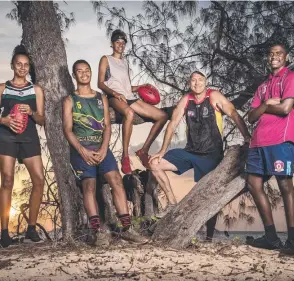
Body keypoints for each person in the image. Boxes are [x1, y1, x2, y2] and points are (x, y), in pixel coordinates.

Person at [149, 71, 251, 240]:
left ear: (206, 82)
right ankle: (173, 204)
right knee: (155, 164)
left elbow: (233, 113)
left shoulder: (214, 96)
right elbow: (172, 124)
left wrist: (247, 137)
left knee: (210, 196)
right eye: (193, 80)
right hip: (191, 152)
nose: (197, 83)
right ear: (189, 83)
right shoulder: (186, 100)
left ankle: (209, 237)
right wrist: (161, 151)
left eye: (200, 80)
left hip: (212, 155)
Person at [63, 59, 148, 246]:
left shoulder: (100, 97)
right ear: (74, 75)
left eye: (87, 70)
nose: (84, 74)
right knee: (89, 186)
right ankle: (97, 232)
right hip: (81, 149)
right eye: (79, 71)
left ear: (91, 73)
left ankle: (127, 229)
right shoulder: (70, 100)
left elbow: (108, 127)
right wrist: (82, 151)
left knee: (116, 180)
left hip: (102, 147)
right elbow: (68, 130)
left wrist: (103, 148)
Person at [245, 42, 294, 256]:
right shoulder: (262, 86)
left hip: (281, 140)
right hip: (258, 141)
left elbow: (286, 108)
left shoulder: (291, 78)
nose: (274, 56)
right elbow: (251, 117)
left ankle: (293, 242)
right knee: (253, 183)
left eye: (278, 53)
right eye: (270, 54)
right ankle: (271, 237)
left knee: (285, 185)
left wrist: (265, 107)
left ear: (286, 57)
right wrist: (268, 103)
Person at [0, 45, 45, 248]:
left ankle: (31, 228)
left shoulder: (36, 89)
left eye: (26, 65)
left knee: (39, 180)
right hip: (6, 136)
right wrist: (4, 121)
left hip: (29, 136)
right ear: (12, 65)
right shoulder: (2, 88)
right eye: (19, 64)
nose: (22, 68)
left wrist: (31, 111)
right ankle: (4, 232)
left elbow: (41, 119)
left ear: (29, 67)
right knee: (7, 180)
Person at [98, 29, 168, 174]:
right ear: (112, 44)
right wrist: (114, 93)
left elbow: (128, 87)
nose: (121, 45)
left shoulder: (124, 63)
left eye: (123, 43)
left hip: (129, 97)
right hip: (114, 97)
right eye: (118, 42)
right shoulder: (106, 59)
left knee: (162, 116)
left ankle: (143, 151)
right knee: (129, 113)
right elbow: (100, 83)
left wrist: (141, 87)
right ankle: (125, 156)